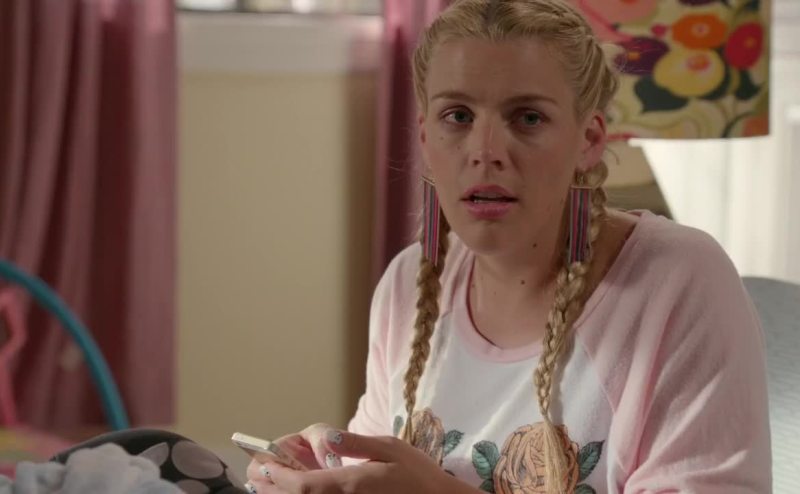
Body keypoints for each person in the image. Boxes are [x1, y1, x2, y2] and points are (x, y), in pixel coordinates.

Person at [244, 0, 772, 492]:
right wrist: (323, 471)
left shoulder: (678, 282)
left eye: (528, 118)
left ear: (590, 140)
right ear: (425, 137)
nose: (486, 151)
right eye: (458, 116)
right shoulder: (407, 283)